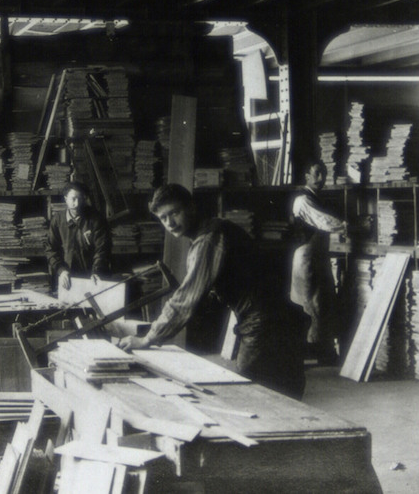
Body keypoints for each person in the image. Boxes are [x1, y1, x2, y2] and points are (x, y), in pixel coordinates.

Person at [119, 183, 306, 399]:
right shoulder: (214, 230)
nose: (170, 223)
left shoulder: (209, 239)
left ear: (191, 207)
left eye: (175, 213)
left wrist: (147, 339)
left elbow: (185, 301)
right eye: (163, 218)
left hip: (265, 322)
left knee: (255, 396)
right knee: (281, 393)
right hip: (274, 318)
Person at [290, 161, 346, 364]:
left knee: (323, 301)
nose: (321, 178)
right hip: (306, 256)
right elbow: (323, 221)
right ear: (306, 175)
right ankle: (311, 350)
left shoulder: (316, 198)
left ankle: (322, 350)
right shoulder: (303, 200)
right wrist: (350, 227)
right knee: (310, 303)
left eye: (324, 174)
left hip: (319, 255)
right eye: (316, 174)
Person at [45, 181, 111, 291]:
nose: (77, 203)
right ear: (66, 198)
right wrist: (61, 271)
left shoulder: (96, 219)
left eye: (81, 199)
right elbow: (50, 249)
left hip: (92, 277)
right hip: (67, 277)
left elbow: (102, 249)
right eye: (73, 198)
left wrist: (97, 272)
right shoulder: (57, 220)